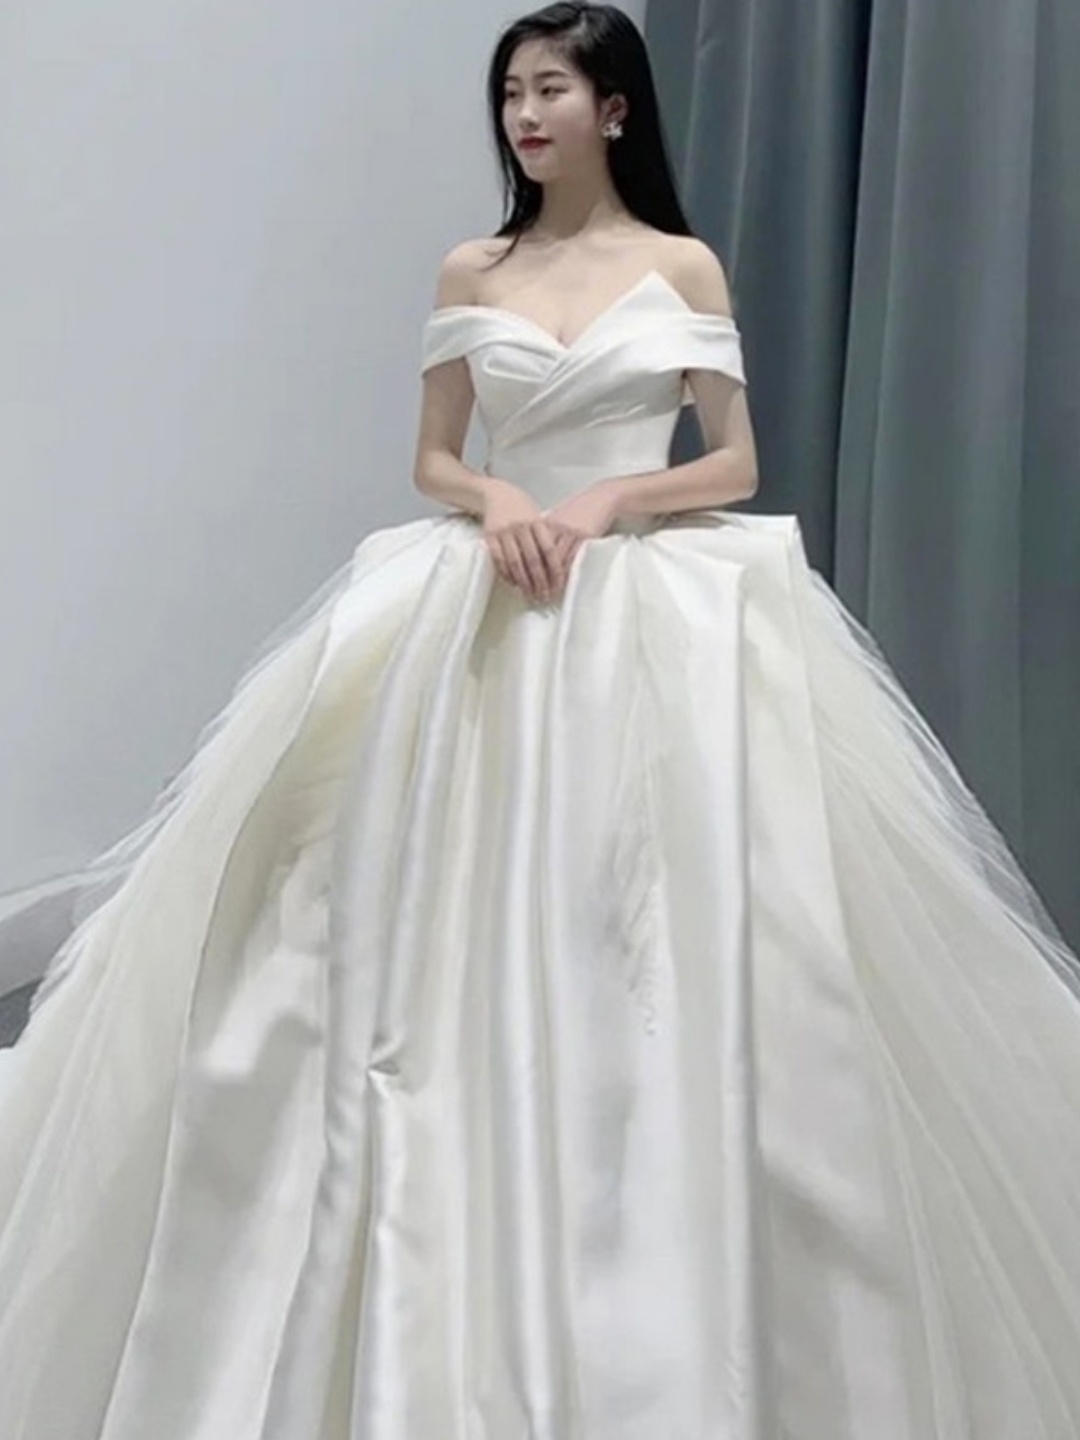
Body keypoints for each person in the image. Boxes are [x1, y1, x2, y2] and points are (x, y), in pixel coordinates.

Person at [2, 2, 1080, 1436]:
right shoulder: (476, 267)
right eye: (512, 90)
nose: (524, 113)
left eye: (551, 88)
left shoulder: (678, 265)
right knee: (399, 913)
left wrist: (609, 499)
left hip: (639, 602)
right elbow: (435, 458)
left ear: (613, 108)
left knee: (662, 916)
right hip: (486, 594)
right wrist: (501, 495)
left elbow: (733, 460)